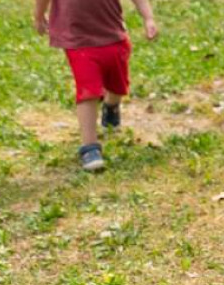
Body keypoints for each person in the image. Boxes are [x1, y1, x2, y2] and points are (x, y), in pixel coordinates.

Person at [34, 0, 158, 172]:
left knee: (117, 86)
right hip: (77, 39)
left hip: (112, 35)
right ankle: (90, 147)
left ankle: (111, 105)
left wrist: (148, 18)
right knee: (88, 91)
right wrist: (39, 16)